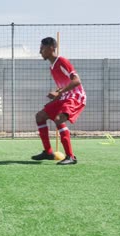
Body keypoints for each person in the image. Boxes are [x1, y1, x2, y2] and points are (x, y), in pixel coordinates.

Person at [31, 37, 86, 165]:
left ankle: (71, 157)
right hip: (64, 97)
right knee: (40, 116)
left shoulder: (62, 61)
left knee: (59, 119)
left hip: (75, 97)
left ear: (51, 48)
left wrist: (59, 92)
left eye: (42, 49)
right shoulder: (52, 66)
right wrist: (57, 94)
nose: (40, 52)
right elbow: (64, 85)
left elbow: (76, 80)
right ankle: (48, 152)